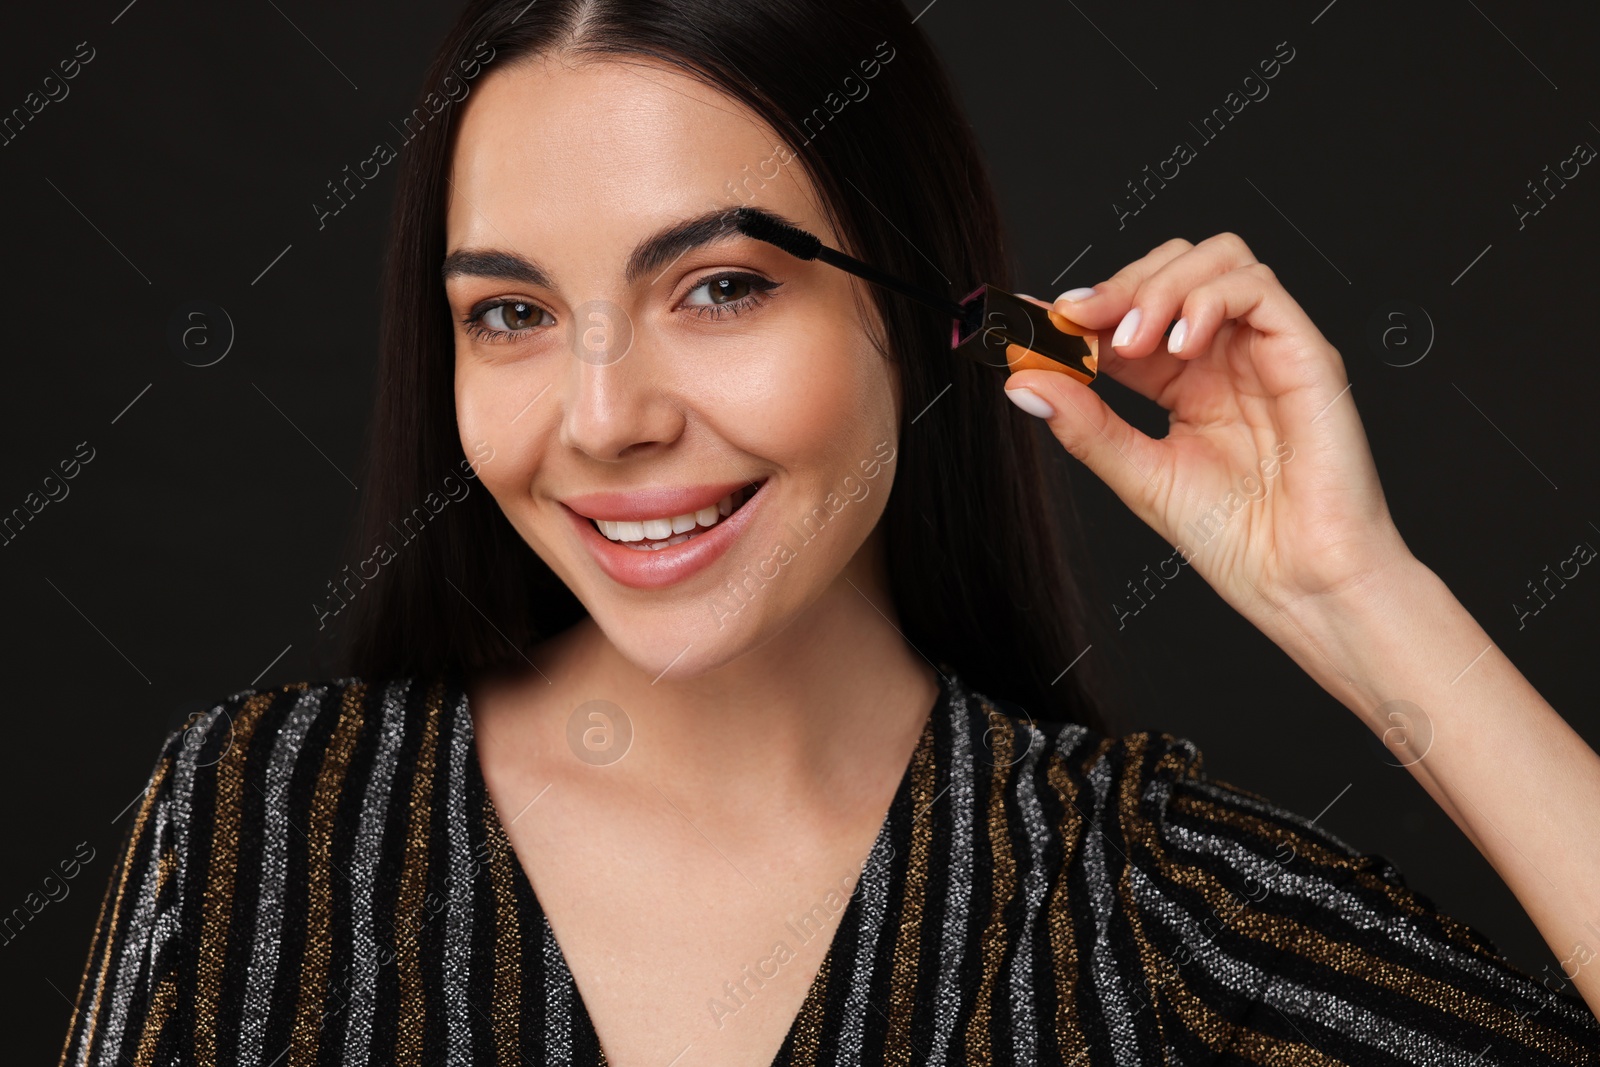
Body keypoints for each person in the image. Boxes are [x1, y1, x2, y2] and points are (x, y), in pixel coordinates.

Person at [57, 0, 1600, 1064]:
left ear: (923, 308)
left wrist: (1359, 595)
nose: (604, 418)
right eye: (512, 313)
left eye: (720, 286)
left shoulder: (1142, 911)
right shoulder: (259, 824)